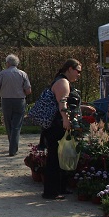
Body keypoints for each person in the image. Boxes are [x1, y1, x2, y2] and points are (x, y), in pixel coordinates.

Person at [41, 59, 84, 200]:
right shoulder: (62, 82)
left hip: (56, 123)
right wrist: (66, 120)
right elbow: (62, 102)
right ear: (69, 69)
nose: (79, 74)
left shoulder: (61, 81)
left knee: (59, 156)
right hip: (57, 124)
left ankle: (59, 188)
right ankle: (51, 191)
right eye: (78, 71)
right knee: (55, 157)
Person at [0, 54, 32, 156]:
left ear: (8, 63)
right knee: (16, 125)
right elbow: (28, 90)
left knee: (8, 124)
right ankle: (13, 148)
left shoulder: (2, 74)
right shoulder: (23, 74)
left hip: (6, 100)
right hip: (19, 101)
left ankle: (12, 146)